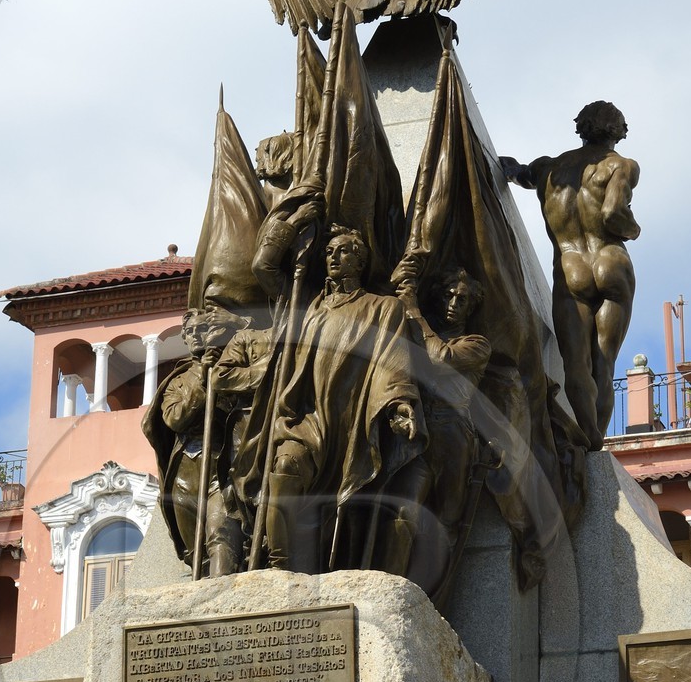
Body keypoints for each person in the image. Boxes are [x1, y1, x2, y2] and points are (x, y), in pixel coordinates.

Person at [265, 226, 425, 572]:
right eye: (329, 252)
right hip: (306, 417)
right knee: (286, 466)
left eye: (344, 251)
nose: (334, 258)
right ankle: (278, 567)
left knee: (338, 506)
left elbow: (393, 360)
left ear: (361, 261)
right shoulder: (310, 310)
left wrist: (400, 405)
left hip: (352, 421)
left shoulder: (383, 308)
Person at [502, 101, 639, 450]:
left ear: (581, 128)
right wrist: (634, 229)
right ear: (618, 132)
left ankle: (589, 434)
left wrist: (508, 165)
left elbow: (516, 172)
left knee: (575, 364)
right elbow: (612, 213)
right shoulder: (621, 165)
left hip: (571, 266)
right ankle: (599, 443)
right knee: (603, 364)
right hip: (611, 262)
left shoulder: (548, 169)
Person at [144, 305, 272, 576]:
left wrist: (240, 323)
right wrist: (203, 377)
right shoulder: (177, 381)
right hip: (185, 474)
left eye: (203, 329)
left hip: (225, 466)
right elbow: (175, 417)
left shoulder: (231, 364)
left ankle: (222, 603)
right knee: (195, 550)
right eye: (189, 332)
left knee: (221, 535)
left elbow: (269, 349)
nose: (196, 336)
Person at [393, 266, 493, 591]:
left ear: (471, 306)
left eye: (461, 299)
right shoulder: (422, 335)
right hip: (419, 435)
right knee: (404, 511)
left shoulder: (476, 344)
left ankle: (433, 595)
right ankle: (397, 586)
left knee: (446, 523)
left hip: (453, 436)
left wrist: (412, 309)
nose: (453, 302)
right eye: (449, 295)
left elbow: (440, 357)